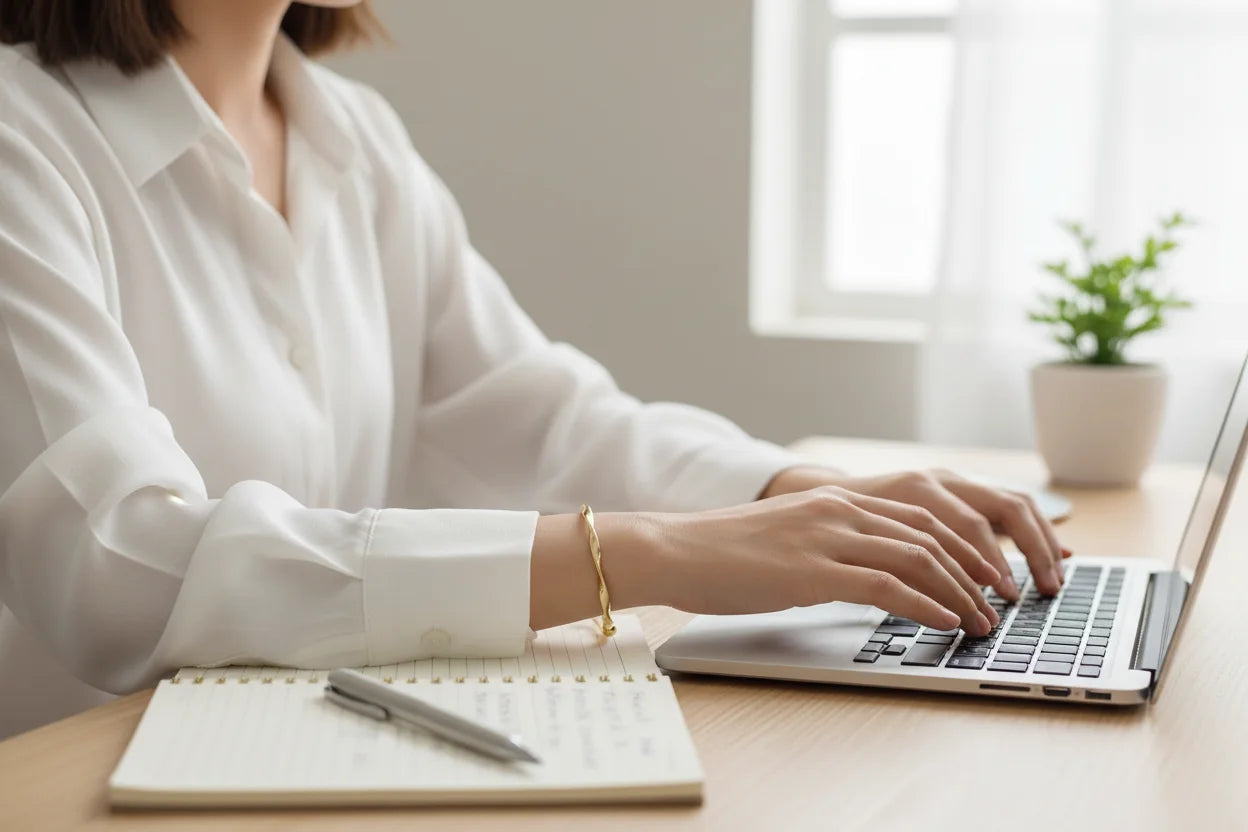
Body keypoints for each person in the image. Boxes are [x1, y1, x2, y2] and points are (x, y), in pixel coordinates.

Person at [0, 0, 1067, 739]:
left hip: (287, 756)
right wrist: (650, 555)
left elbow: (542, 413)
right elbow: (124, 564)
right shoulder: (24, 141)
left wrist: (800, 495)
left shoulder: (353, 138)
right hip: (70, 781)